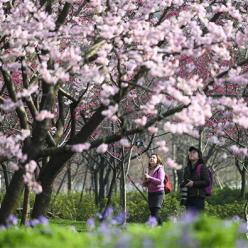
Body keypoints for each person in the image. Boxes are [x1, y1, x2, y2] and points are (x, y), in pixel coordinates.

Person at [181, 146, 210, 212]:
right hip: (188, 198)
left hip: (198, 198)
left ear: (199, 156)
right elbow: (185, 182)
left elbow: (207, 182)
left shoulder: (202, 167)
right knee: (189, 221)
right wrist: (183, 184)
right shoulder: (186, 169)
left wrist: (193, 183)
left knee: (198, 220)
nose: (191, 154)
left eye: (194, 152)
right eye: (190, 152)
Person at [143, 154, 165, 225]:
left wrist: (149, 177)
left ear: (157, 160)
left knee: (155, 213)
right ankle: (162, 227)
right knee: (153, 213)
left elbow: (160, 181)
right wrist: (145, 181)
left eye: (154, 157)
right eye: (150, 157)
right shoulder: (148, 170)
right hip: (150, 193)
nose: (151, 158)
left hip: (158, 193)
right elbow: (146, 183)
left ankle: (156, 229)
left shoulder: (160, 169)